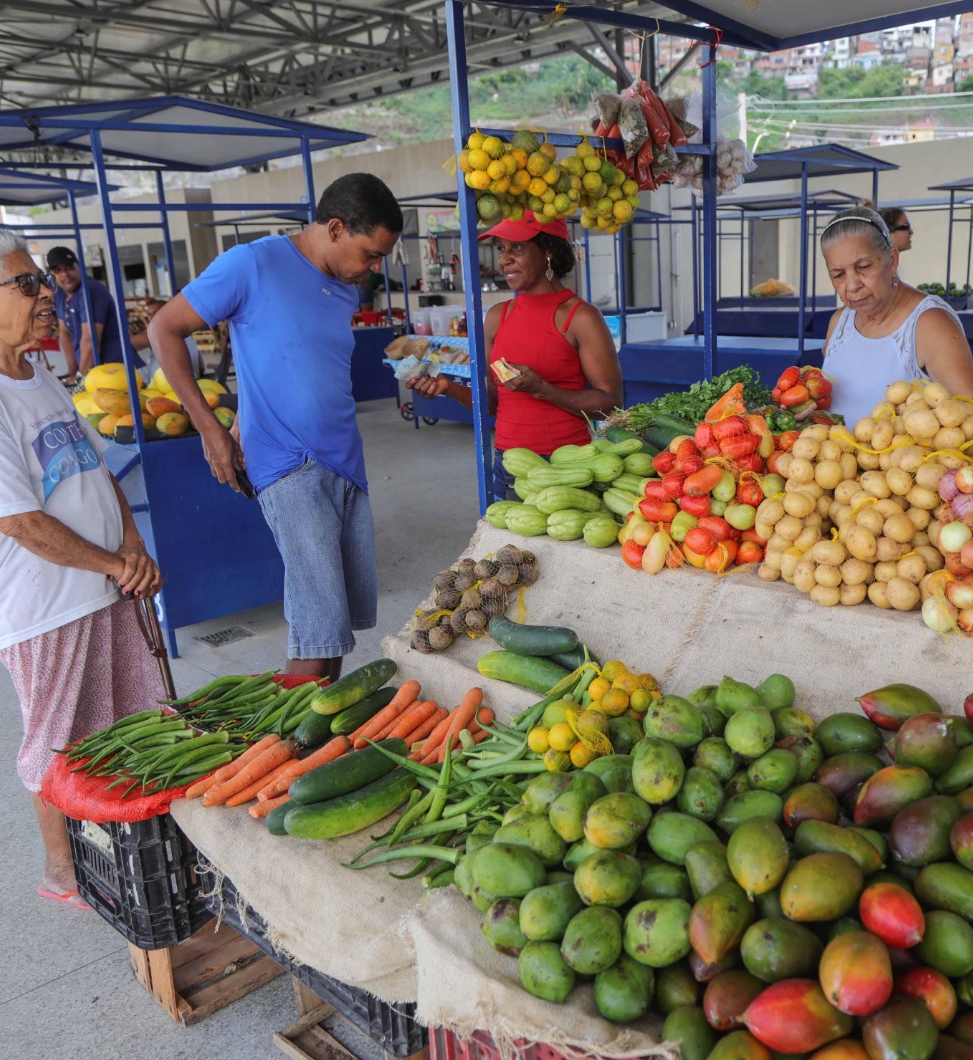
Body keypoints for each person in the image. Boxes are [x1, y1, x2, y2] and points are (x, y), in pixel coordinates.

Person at [0, 227, 163, 910]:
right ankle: (63, 870)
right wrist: (115, 565)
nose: (44, 296)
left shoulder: (37, 372)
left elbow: (94, 467)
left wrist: (133, 545)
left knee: (131, 722)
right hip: (44, 605)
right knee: (59, 741)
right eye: (25, 284)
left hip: (106, 583)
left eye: (39, 282)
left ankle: (124, 844)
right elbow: (18, 521)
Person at [148, 173, 402, 681]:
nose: (374, 269)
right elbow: (164, 327)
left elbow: (286, 359)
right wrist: (210, 430)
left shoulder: (343, 289)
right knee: (314, 628)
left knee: (333, 628)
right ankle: (286, 749)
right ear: (335, 228)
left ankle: (315, 733)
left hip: (345, 463)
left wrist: (244, 415)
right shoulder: (253, 263)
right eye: (371, 254)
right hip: (290, 465)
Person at [410, 210, 622, 501]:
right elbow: (493, 401)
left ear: (548, 252)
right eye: (501, 249)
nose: (504, 259)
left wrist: (543, 390)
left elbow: (610, 404)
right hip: (509, 466)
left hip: (569, 468)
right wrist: (449, 388)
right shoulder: (498, 317)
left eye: (517, 247)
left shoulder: (580, 317)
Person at [819, 206, 973, 428]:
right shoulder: (839, 322)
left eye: (863, 267)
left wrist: (916, 423)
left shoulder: (929, 323)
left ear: (892, 260)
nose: (852, 286)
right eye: (838, 275)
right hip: (836, 460)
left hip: (907, 462)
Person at [47, 246, 130, 382]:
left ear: (78, 267)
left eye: (69, 268)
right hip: (89, 372)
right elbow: (65, 333)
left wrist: (79, 379)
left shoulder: (91, 291)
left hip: (114, 371)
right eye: (58, 271)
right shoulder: (60, 294)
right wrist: (72, 372)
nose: (65, 274)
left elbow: (90, 339)